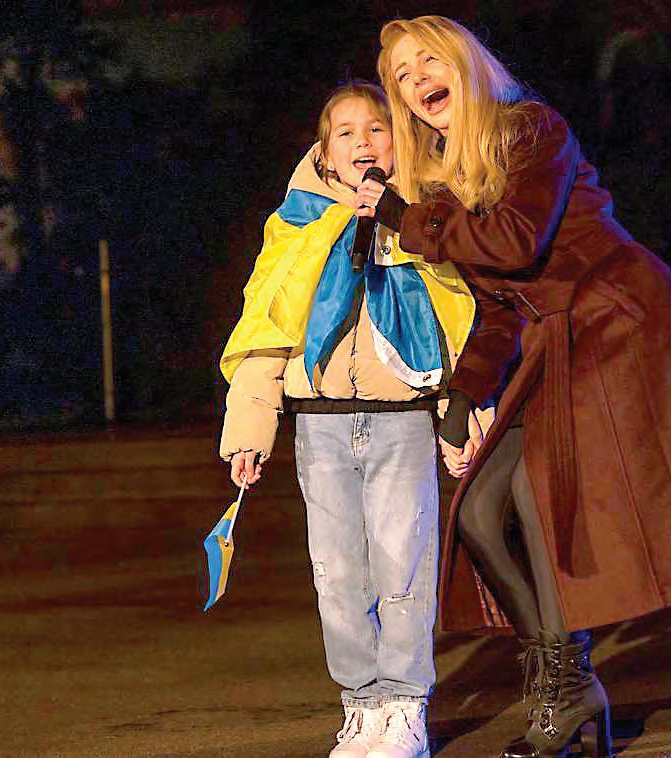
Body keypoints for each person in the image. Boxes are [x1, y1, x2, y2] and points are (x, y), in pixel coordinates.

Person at [359, 16, 671, 758]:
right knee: (478, 511)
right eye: (402, 76)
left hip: (617, 315)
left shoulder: (532, 130)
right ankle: (571, 682)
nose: (417, 79)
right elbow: (499, 301)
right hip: (552, 333)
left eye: (429, 60)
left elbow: (515, 242)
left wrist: (405, 219)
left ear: (465, 63)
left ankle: (564, 691)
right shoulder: (441, 178)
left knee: (539, 491)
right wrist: (463, 393)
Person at [219, 81, 477, 758]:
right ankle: (361, 706)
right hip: (322, 426)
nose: (363, 142)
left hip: (402, 422)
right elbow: (266, 329)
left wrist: (459, 417)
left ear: (399, 142)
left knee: (403, 568)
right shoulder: (296, 226)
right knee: (336, 576)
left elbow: (454, 323)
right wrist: (249, 433)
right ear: (324, 155)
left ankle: (405, 708)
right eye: (346, 132)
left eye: (377, 128)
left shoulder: (425, 218)